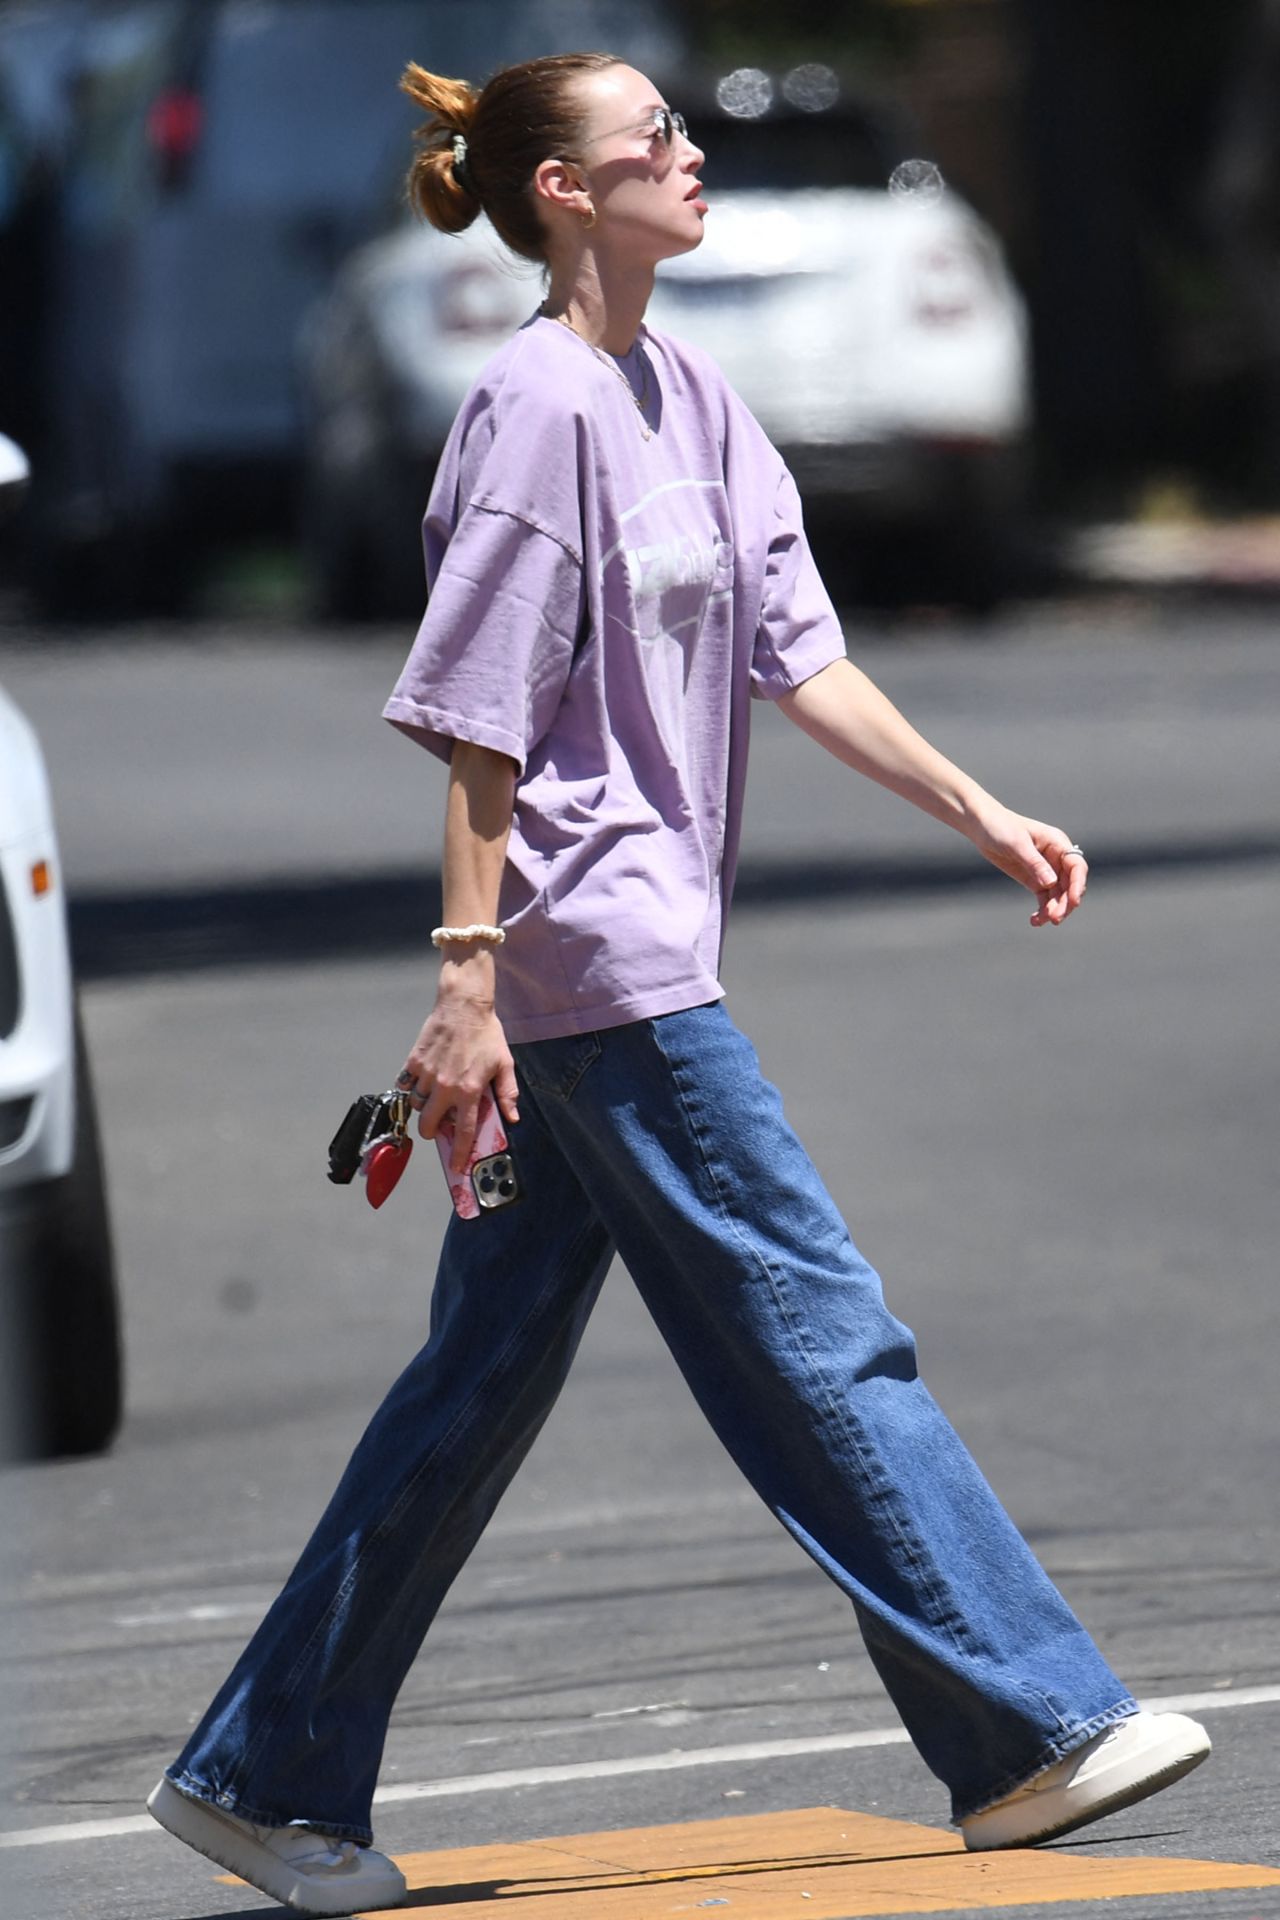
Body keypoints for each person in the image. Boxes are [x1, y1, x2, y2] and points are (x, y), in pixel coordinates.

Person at [146, 51, 1210, 1918]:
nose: (690, 155)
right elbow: (477, 727)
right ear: (563, 192)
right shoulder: (533, 412)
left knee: (477, 1377)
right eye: (655, 139)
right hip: (590, 960)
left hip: (616, 957)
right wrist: (465, 979)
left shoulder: (690, 398)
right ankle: (1030, 1729)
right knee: (818, 1321)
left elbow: (805, 657)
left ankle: (268, 1772)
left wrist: (984, 808)